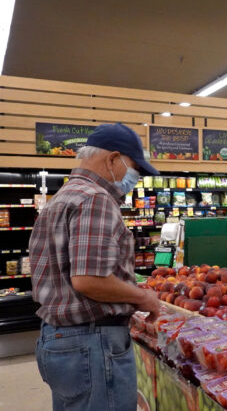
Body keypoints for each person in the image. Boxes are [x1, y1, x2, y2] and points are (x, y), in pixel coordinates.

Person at [30, 123, 161, 411]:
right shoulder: (96, 199)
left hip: (60, 339)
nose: (135, 177)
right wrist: (144, 297)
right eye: (134, 168)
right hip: (91, 342)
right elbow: (89, 280)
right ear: (113, 159)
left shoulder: (62, 197)